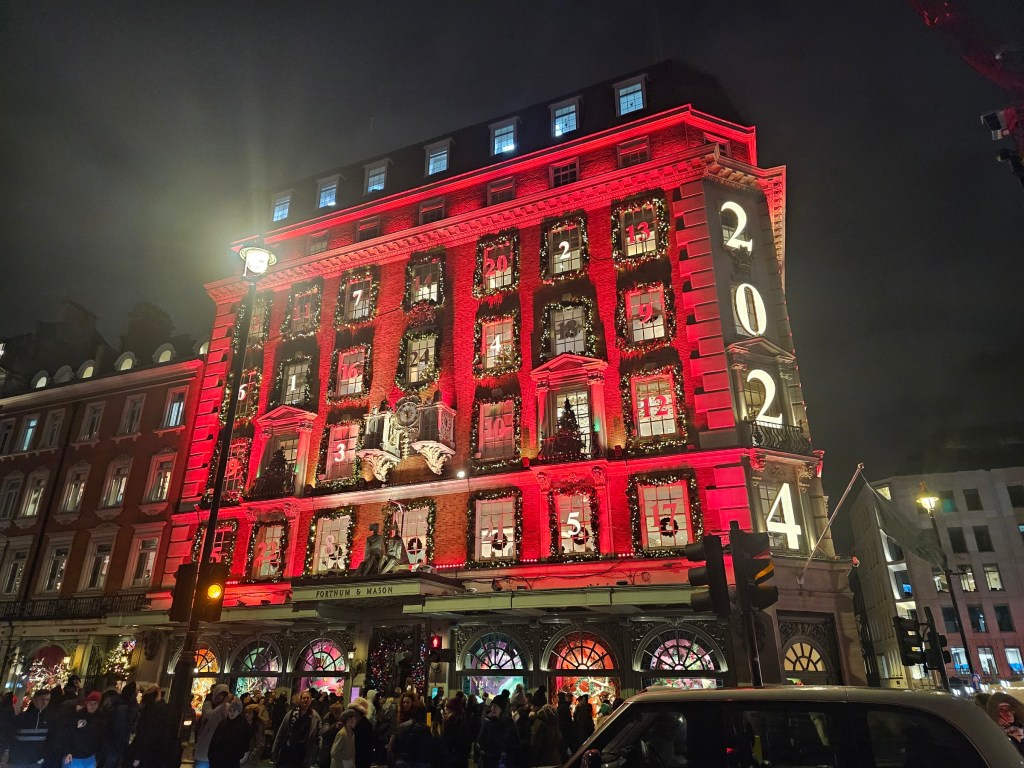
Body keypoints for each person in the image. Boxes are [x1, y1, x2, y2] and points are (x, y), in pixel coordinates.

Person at [54, 691, 107, 768]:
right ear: (86, 703)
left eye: (95, 703)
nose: (92, 706)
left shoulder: (101, 719)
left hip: (90, 757)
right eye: (90, 703)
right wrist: (67, 751)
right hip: (74, 757)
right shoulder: (77, 715)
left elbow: (101, 739)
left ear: (98, 704)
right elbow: (68, 734)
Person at [273, 690, 322, 768]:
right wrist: (275, 750)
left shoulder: (315, 716)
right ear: (300, 700)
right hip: (289, 749)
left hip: (304, 751)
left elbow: (319, 734)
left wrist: (319, 751)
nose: (305, 700)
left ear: (310, 700)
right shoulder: (291, 714)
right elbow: (281, 732)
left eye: (307, 698)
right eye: (303, 698)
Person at [9, 688, 56, 768]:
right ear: (34, 700)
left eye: (47, 700)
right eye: (42, 699)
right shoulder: (22, 718)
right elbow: (9, 737)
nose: (44, 702)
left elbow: (50, 741)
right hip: (18, 761)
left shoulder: (49, 720)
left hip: (36, 762)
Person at [130, 686, 171, 768]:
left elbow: (141, 731)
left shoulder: (145, 708)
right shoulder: (158, 710)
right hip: (152, 748)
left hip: (143, 747)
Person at [476, 698, 518, 768]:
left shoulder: (509, 724)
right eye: (492, 706)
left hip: (504, 763)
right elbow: (480, 742)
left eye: (495, 706)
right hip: (488, 762)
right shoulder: (488, 723)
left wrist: (505, 754)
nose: (492, 708)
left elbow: (515, 743)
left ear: (502, 709)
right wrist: (483, 752)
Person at [208, 700, 250, 768]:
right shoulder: (223, 723)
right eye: (230, 710)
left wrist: (236, 756)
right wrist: (211, 756)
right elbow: (214, 741)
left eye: (234, 710)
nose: (232, 713)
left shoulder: (243, 726)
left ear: (239, 712)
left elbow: (244, 745)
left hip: (231, 762)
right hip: (217, 761)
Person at [986, 692, 1024, 756]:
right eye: (1003, 711)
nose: (1008, 713)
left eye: (1009, 709)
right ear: (996, 715)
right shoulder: (998, 738)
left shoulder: (1020, 726)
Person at [440, 695, 471, 768]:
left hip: (453, 761)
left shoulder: (452, 724)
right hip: (458, 761)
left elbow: (448, 743)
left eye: (448, 709)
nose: (445, 711)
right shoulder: (461, 723)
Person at [349, 697, 375, 768]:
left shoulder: (366, 726)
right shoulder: (353, 723)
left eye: (355, 712)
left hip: (361, 760)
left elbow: (366, 747)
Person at [555, 693, 576, 760]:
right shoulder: (564, 706)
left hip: (564, 731)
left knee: (564, 749)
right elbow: (567, 720)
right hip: (566, 731)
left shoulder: (562, 706)